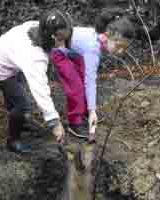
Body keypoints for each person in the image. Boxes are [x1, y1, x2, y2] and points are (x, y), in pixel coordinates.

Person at [0, 11, 72, 153]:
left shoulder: (36, 26)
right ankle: (13, 141)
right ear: (50, 36)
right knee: (21, 105)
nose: (63, 44)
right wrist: (54, 122)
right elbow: (40, 90)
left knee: (13, 96)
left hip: (6, 55)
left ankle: (18, 121)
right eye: (60, 39)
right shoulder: (33, 57)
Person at [47, 10, 131, 143]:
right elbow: (90, 81)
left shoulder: (99, 38)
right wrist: (93, 109)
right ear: (109, 35)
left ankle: (85, 110)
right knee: (76, 87)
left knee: (82, 78)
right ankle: (74, 123)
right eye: (119, 46)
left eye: (124, 48)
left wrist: (91, 109)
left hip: (75, 53)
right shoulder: (93, 48)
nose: (120, 52)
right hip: (59, 52)